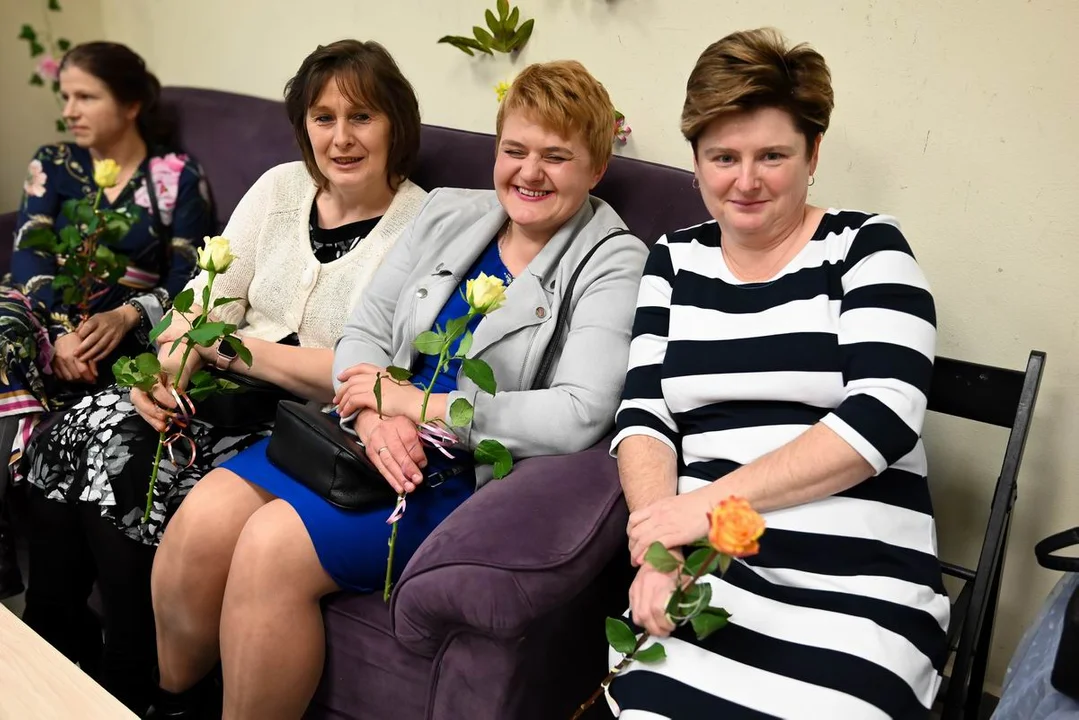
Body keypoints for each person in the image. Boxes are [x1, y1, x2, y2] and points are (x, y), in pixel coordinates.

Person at [149, 59, 648, 719]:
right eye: (515, 151)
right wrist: (376, 416)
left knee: (270, 546)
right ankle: (172, 704)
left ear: (596, 167)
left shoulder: (613, 258)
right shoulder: (449, 213)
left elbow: (581, 413)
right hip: (363, 437)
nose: (529, 173)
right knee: (202, 520)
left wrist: (418, 406)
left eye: (556, 157)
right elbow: (365, 332)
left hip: (455, 473)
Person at [14, 39, 427, 715]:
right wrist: (169, 363)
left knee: (129, 467)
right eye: (323, 118)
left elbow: (364, 372)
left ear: (396, 125)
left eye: (362, 117)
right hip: (209, 388)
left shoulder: (421, 224)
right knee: (73, 431)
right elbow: (203, 301)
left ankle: (137, 681)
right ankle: (53, 653)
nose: (341, 138)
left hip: (295, 421)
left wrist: (224, 351)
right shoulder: (279, 188)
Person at [608, 28, 949, 720]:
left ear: (813, 153)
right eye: (723, 157)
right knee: (649, 703)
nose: (746, 180)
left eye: (772, 155)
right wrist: (661, 548)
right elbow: (644, 415)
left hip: (861, 577)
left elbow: (883, 416)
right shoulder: (673, 260)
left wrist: (703, 508)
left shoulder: (865, 248)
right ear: (696, 161)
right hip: (712, 568)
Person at [0, 41, 213, 600]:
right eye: (66, 96)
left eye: (85, 97)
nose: (69, 111)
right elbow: (29, 255)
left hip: (122, 334)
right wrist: (58, 335)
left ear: (130, 104)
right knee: (2, 327)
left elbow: (191, 272)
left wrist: (127, 313)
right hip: (43, 324)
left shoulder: (175, 175)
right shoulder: (53, 164)